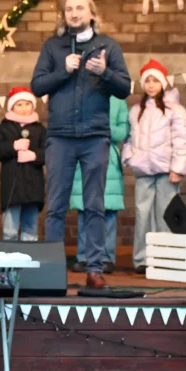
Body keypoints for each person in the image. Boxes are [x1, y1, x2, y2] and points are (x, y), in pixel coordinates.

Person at [30, 0, 131, 290]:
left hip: (94, 137)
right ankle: (52, 272)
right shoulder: (53, 47)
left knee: (95, 205)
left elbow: (125, 87)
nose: (74, 13)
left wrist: (105, 72)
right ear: (64, 15)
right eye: (69, 9)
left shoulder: (107, 46)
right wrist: (64, 70)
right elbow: (37, 85)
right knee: (56, 206)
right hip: (60, 137)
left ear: (91, 13)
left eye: (80, 8)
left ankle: (95, 269)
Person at [122, 59, 186, 274]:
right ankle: (142, 259)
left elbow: (182, 140)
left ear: (163, 83)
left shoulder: (175, 110)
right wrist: (130, 157)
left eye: (155, 80)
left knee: (165, 214)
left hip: (166, 171)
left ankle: (165, 257)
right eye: (147, 81)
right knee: (142, 214)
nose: (151, 85)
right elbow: (130, 138)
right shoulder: (136, 110)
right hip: (143, 170)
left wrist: (178, 168)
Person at [70, 95, 129, 274]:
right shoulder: (80, 97)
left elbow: (122, 132)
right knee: (85, 210)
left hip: (109, 158)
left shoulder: (118, 101)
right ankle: (84, 257)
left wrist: (101, 127)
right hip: (84, 156)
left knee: (108, 211)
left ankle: (106, 257)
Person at [0, 87, 47, 241]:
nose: (23, 108)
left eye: (27, 104)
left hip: (33, 187)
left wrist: (35, 155)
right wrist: (13, 146)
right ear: (12, 107)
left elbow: (50, 152)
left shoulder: (40, 130)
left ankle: (29, 255)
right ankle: (10, 256)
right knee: (10, 230)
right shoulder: (3, 129)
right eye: (19, 105)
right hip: (12, 188)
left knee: (31, 229)